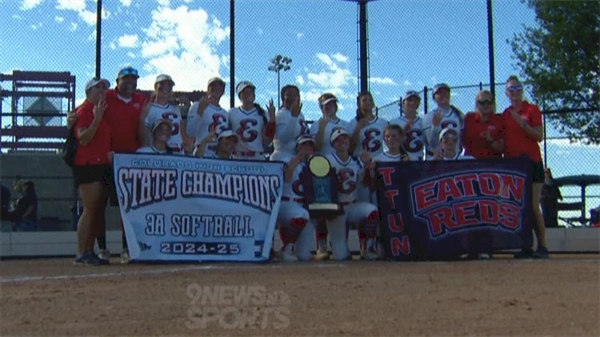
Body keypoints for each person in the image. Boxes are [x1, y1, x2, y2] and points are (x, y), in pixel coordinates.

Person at [502, 75, 549, 259]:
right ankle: (526, 245)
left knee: (532, 204)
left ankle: (543, 246)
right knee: (521, 206)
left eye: (518, 88)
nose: (515, 92)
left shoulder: (532, 110)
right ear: (506, 93)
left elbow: (539, 135)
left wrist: (522, 123)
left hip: (533, 162)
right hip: (515, 166)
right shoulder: (505, 114)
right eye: (511, 89)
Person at [71, 77, 112, 266]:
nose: (102, 91)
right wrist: (96, 119)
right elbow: (84, 138)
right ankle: (82, 252)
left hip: (101, 164)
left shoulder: (101, 110)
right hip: (88, 165)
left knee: (95, 210)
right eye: (97, 88)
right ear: (88, 92)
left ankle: (89, 250)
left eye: (104, 88)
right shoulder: (86, 111)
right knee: (89, 209)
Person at [326, 129, 379, 261]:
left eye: (345, 138)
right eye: (338, 140)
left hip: (352, 205)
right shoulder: (328, 160)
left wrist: (367, 167)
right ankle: (336, 245)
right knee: (341, 256)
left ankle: (366, 248)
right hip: (336, 209)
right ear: (333, 144)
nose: (342, 141)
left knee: (372, 211)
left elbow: (365, 184)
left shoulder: (356, 161)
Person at [309, 93, 352, 260]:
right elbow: (317, 146)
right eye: (325, 105)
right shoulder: (317, 124)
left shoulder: (345, 124)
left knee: (343, 207)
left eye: (332, 104)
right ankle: (321, 245)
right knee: (323, 206)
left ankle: (341, 243)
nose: (329, 107)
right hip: (323, 168)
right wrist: (322, 127)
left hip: (342, 166)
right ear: (321, 107)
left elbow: (351, 145)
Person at [277, 135, 317, 262]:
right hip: (286, 202)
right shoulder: (288, 159)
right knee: (302, 214)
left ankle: (289, 249)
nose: (307, 148)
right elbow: (285, 180)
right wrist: (291, 167)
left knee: (304, 256)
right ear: (298, 147)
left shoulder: (314, 164)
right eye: (304, 145)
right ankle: (286, 249)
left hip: (302, 205)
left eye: (310, 145)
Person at [139, 74, 193, 155]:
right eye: (162, 84)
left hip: (178, 152)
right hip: (159, 153)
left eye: (169, 85)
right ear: (155, 86)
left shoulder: (176, 107)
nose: (166, 87)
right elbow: (144, 134)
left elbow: (181, 131)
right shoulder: (149, 108)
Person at [228, 81, 276, 160]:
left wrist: (272, 120)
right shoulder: (232, 113)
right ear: (240, 96)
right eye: (245, 92)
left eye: (251, 92)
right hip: (237, 156)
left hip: (257, 156)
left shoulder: (263, 113)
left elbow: (267, 140)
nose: (249, 94)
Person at [188, 77, 229, 158]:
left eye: (220, 87)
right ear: (208, 89)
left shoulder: (225, 113)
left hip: (219, 154)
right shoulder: (197, 105)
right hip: (202, 150)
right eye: (213, 87)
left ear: (223, 92)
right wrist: (200, 111)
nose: (216, 89)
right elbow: (190, 132)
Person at [423, 83, 464, 160]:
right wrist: (435, 127)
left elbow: (462, 139)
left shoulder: (459, 115)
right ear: (434, 98)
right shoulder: (429, 117)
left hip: (455, 158)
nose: (443, 95)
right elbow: (432, 144)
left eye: (445, 92)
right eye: (439, 93)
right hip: (436, 160)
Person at [270, 85, 309, 162]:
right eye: (289, 95)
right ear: (283, 98)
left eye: (296, 95)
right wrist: (294, 117)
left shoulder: (300, 115)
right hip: (283, 157)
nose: (293, 98)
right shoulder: (282, 114)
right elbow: (284, 139)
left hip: (298, 157)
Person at [463, 90, 505, 159]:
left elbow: (501, 148)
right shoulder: (468, 119)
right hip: (471, 163)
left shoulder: (499, 121)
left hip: (492, 163)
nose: (486, 105)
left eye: (489, 102)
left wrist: (490, 140)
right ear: (476, 104)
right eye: (482, 102)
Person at [390, 90, 426, 161]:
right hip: (400, 162)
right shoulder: (395, 122)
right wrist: (403, 131)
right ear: (403, 103)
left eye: (415, 101)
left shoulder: (423, 122)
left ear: (418, 104)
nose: (412, 103)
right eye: (409, 100)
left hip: (419, 163)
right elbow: (390, 144)